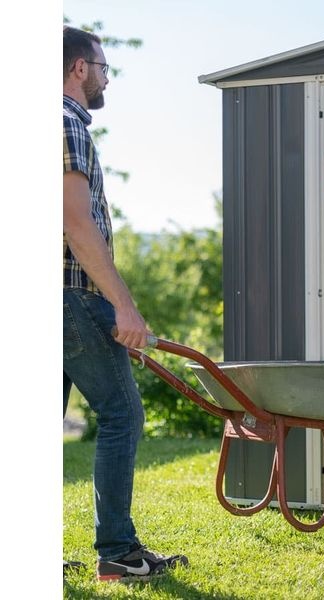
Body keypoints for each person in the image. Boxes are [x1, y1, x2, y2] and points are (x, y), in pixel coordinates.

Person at [62, 26, 188, 582]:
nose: (107, 79)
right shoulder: (66, 122)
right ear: (79, 68)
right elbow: (74, 224)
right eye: (103, 68)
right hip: (71, 296)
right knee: (122, 414)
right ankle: (118, 551)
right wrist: (124, 307)